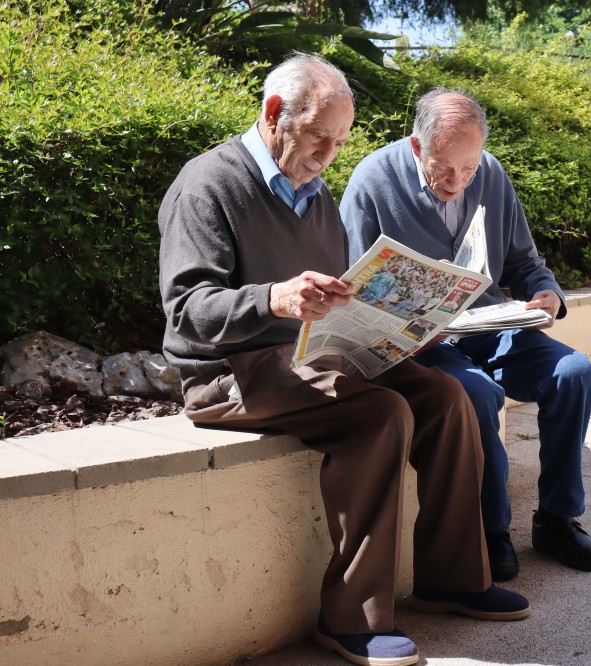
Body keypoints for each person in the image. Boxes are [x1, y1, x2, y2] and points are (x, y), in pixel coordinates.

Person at [158, 55, 529, 666]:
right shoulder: (207, 183)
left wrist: (401, 325)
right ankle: (351, 619)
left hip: (312, 356)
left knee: (445, 397)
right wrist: (274, 298)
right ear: (275, 115)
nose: (329, 154)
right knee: (380, 414)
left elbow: (333, 295)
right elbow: (188, 311)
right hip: (230, 374)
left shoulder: (313, 193)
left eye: (341, 141)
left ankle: (452, 580)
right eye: (318, 137)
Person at [340, 87, 591, 583]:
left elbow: (525, 262)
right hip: (424, 342)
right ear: (417, 147)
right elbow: (354, 294)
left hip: (487, 327)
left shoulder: (491, 173)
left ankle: (557, 519)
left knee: (574, 372)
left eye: (469, 168)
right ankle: (491, 531)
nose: (458, 181)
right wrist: (422, 295)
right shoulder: (371, 182)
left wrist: (546, 293)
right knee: (478, 393)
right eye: (444, 168)